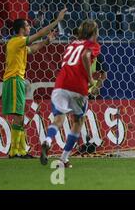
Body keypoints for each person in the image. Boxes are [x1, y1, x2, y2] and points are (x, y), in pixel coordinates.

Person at [40, 20, 105, 168]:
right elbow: (85, 56)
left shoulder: (72, 44)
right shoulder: (92, 45)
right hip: (78, 87)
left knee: (58, 119)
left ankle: (48, 140)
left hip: (61, 84)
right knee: (78, 121)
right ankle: (63, 158)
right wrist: (90, 79)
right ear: (94, 33)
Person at [3, 8, 67, 158]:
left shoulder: (20, 46)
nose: (29, 27)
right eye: (27, 25)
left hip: (17, 80)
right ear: (20, 29)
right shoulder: (15, 41)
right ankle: (15, 152)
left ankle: (19, 151)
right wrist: (56, 21)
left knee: (20, 115)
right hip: (13, 80)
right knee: (18, 116)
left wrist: (46, 42)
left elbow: (33, 49)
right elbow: (38, 34)